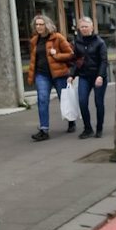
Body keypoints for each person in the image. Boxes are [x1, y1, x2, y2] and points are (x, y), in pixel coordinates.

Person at [27, 14, 75, 142]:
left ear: (47, 25)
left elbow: (70, 54)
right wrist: (32, 75)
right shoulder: (34, 41)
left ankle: (71, 121)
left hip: (59, 74)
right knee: (42, 99)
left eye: (41, 24)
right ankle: (44, 130)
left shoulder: (57, 38)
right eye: (36, 24)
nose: (38, 27)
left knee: (63, 99)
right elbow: (33, 60)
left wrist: (57, 55)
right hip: (42, 75)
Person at [67, 17, 108, 139]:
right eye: (82, 27)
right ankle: (88, 128)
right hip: (84, 76)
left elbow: (104, 61)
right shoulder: (78, 42)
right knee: (82, 101)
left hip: (98, 77)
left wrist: (100, 76)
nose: (84, 29)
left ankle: (99, 128)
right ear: (79, 28)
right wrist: (71, 75)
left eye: (86, 26)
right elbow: (76, 61)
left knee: (98, 102)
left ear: (92, 27)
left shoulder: (100, 43)